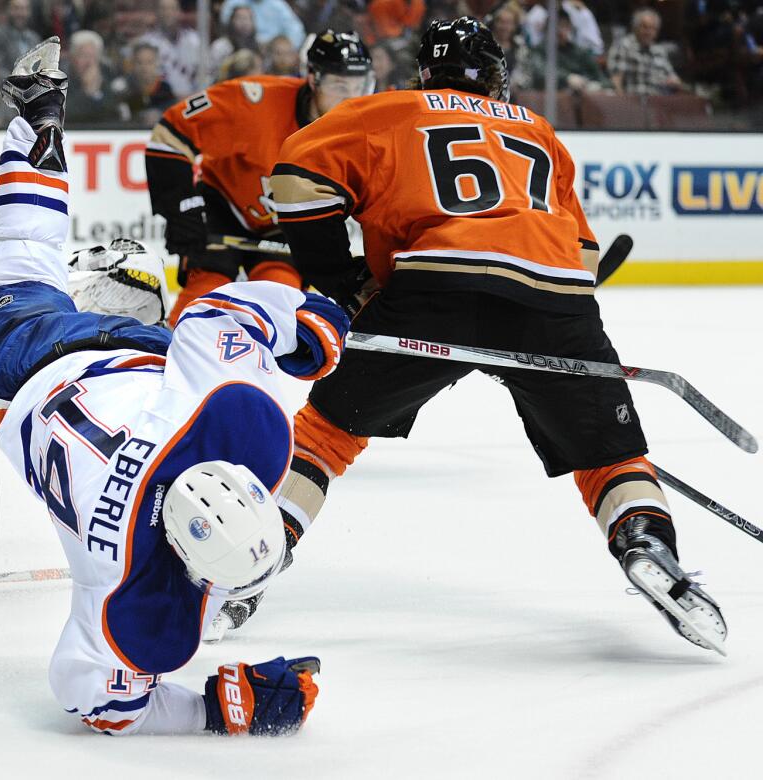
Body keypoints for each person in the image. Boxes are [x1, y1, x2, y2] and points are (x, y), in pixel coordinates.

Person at [219, 16, 727, 655]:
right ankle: (646, 543)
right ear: (497, 77)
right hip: (552, 301)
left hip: (434, 289)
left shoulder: (393, 109)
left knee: (327, 433)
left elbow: (293, 176)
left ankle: (253, 557)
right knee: (610, 455)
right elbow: (585, 260)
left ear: (424, 73)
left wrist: (342, 281)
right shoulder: (536, 128)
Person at [0, 52, 345, 734]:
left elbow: (216, 317)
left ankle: (41, 135)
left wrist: (308, 327)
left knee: (33, 255)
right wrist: (219, 707)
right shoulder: (115, 581)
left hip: (112, 357)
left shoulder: (223, 426)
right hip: (22, 377)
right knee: (28, 258)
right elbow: (99, 705)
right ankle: (40, 131)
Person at [145, 30, 375, 327]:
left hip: (288, 226)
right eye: (339, 84)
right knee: (206, 287)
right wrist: (182, 208)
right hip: (222, 209)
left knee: (279, 301)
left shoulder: (368, 130)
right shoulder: (255, 101)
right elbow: (169, 136)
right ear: (313, 77)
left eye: (360, 86)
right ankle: (166, 356)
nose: (351, 98)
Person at [607, 7, 683, 96]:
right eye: (645, 27)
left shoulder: (659, 51)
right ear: (635, 28)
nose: (649, 32)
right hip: (632, 103)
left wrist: (674, 82)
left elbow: (673, 77)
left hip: (658, 104)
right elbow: (616, 81)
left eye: (653, 28)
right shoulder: (623, 46)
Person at [135, 0, 201, 96]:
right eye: (163, 9)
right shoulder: (147, 42)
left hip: (192, 101)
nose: (168, 13)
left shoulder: (194, 40)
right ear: (157, 12)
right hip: (160, 102)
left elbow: (204, 76)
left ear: (179, 11)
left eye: (171, 8)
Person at [112, 41, 176, 125]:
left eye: (149, 62)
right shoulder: (122, 88)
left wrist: (158, 114)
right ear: (133, 64)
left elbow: (172, 116)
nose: (144, 67)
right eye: (139, 62)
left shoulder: (165, 88)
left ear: (157, 63)